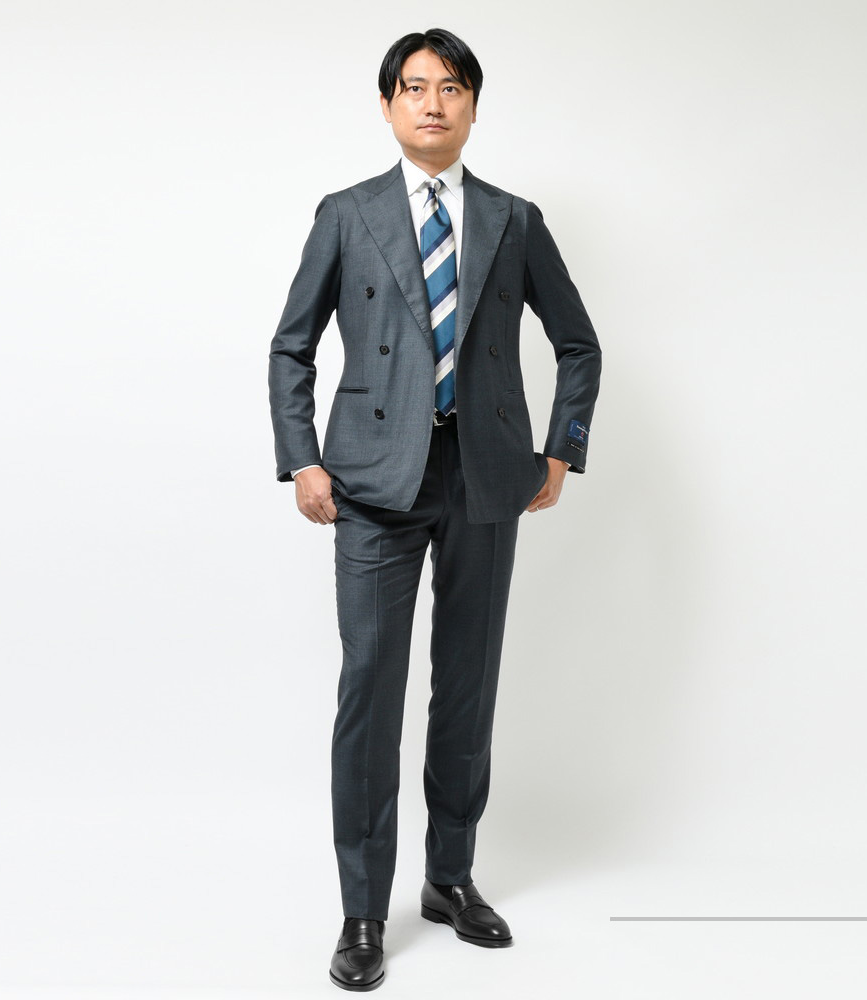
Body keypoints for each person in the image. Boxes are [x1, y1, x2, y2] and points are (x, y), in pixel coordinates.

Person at [268, 28, 602, 992]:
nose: (432, 103)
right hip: (373, 482)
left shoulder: (513, 219)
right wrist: (303, 460)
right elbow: (291, 346)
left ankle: (449, 879)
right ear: (387, 106)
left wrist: (561, 449)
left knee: (466, 685)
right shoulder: (347, 213)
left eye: (450, 88)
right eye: (414, 88)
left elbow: (578, 342)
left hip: (487, 478)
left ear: (472, 105)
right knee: (370, 690)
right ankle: (362, 910)